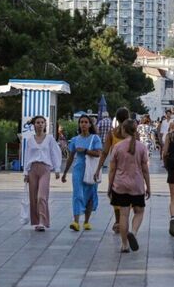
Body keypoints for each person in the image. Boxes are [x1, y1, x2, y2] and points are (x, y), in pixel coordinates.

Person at [107, 119, 151, 253]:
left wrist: (109, 186)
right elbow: (145, 169)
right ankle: (133, 232)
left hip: (120, 185)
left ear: (123, 130)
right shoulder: (141, 147)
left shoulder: (117, 147)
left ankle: (124, 244)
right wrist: (148, 186)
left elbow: (112, 169)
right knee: (139, 211)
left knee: (123, 215)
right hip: (136, 185)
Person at [62, 114, 103, 231]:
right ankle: (76, 222)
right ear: (79, 124)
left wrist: (85, 151)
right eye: (81, 122)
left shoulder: (95, 138)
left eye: (86, 122)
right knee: (77, 194)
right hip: (78, 169)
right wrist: (65, 173)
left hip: (91, 170)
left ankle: (86, 221)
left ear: (90, 125)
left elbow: (98, 153)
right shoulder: (75, 140)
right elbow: (70, 157)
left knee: (90, 194)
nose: (83, 124)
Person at [23, 116, 62, 231]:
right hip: (32, 169)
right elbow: (27, 156)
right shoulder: (30, 140)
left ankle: (42, 221)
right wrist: (26, 172)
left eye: (42, 122)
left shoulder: (49, 139)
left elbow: (55, 153)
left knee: (41, 196)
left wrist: (57, 169)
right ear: (34, 125)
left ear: (45, 124)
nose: (40, 124)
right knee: (33, 197)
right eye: (37, 122)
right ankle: (36, 222)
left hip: (45, 169)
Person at [95, 107, 131, 234]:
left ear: (117, 118)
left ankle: (117, 221)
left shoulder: (112, 134)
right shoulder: (133, 134)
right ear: (128, 118)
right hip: (130, 168)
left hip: (115, 169)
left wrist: (98, 169)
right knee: (128, 194)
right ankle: (124, 220)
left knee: (115, 193)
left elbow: (105, 152)